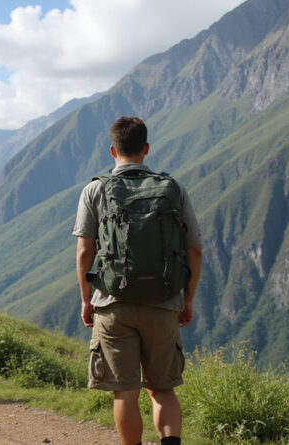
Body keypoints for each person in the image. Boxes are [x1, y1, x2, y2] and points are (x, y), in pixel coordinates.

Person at [73, 116, 202, 445]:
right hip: (163, 302)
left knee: (125, 393)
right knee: (163, 389)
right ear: (146, 149)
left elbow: (84, 253)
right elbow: (195, 251)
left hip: (113, 305)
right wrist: (186, 298)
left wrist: (87, 299)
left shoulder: (95, 190)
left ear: (112, 150)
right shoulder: (173, 188)